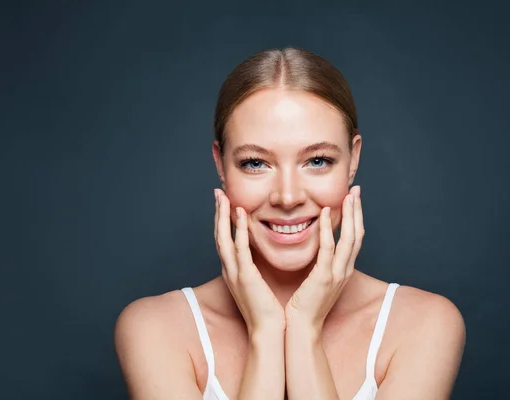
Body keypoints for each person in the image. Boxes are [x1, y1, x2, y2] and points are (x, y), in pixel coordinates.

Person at [114, 47, 466, 400]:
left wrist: (304, 329)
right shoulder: (155, 329)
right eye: (255, 163)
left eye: (317, 160)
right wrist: (266, 333)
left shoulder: (424, 325)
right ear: (221, 165)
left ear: (353, 158)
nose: (287, 197)